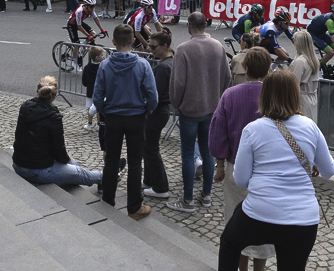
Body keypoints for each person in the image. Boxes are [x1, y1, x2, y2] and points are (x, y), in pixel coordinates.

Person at [206, 68, 334, 271]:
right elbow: (328, 170)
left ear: (264, 96)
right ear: (295, 96)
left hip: (260, 213)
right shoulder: (310, 127)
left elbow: (241, 178)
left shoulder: (254, 129)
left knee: (230, 243)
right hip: (302, 220)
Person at [210, 47, 274, 271]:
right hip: (266, 172)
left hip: (237, 168)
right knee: (264, 225)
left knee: (236, 222)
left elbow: (218, 131)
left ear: (245, 68)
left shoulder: (230, 95)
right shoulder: (274, 96)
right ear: (268, 68)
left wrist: (219, 166)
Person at [168, 11, 231, 213]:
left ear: (189, 26)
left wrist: (177, 103)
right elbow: (227, 77)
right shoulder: (218, 46)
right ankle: (206, 195)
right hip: (211, 108)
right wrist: (218, 98)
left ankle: (188, 199)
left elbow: (178, 82)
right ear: (206, 24)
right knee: (207, 152)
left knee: (188, 153)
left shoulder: (183, 49)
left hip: (190, 108)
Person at [93, 23, 157, 220]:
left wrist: (105, 112)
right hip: (136, 117)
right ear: (132, 41)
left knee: (111, 159)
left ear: (113, 42)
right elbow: (152, 96)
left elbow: (97, 97)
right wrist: (146, 111)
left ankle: (108, 200)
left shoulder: (104, 65)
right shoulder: (142, 65)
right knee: (135, 161)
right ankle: (134, 207)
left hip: (112, 117)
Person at [12, 75, 102, 189]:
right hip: (37, 170)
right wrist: (67, 160)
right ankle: (104, 176)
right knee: (77, 172)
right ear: (55, 94)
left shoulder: (25, 107)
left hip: (18, 164)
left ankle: (99, 178)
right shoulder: (53, 116)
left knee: (74, 165)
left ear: (37, 90)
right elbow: (59, 151)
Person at [143, 31, 173, 199]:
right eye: (149, 45)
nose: (149, 48)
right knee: (148, 147)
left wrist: (146, 111)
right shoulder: (169, 62)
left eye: (153, 46)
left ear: (164, 46)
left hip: (157, 111)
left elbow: (155, 94)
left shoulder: (163, 67)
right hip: (162, 110)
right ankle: (149, 179)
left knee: (150, 148)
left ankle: (161, 187)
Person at [66, 0, 107, 71]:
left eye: (93, 6)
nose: (92, 8)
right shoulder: (79, 11)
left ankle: (82, 45)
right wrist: (88, 36)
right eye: (91, 6)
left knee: (94, 34)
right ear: (86, 5)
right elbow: (79, 27)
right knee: (76, 44)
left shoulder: (91, 9)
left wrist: (102, 29)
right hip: (72, 25)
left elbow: (96, 19)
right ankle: (74, 62)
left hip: (79, 23)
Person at [289, 29, 320, 120]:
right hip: (312, 98)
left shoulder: (300, 61)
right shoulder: (313, 59)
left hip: (301, 99)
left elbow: (293, 83)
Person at [82, 45, 105, 131]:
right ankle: (99, 124)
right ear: (97, 57)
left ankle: (89, 123)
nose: (103, 57)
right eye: (102, 55)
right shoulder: (102, 67)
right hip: (99, 91)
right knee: (99, 108)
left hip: (90, 91)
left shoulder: (87, 67)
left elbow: (84, 80)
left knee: (90, 108)